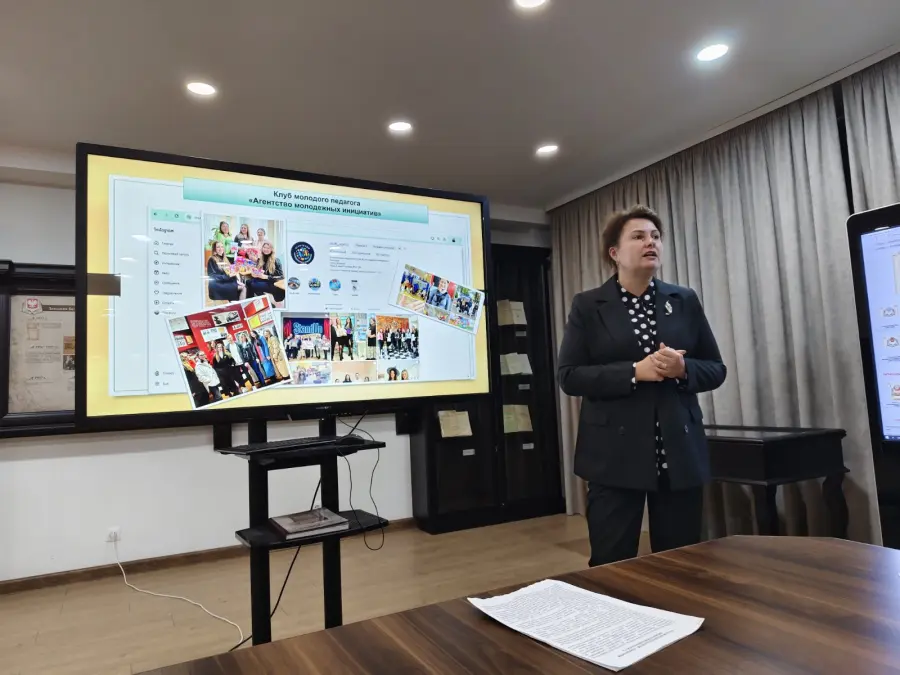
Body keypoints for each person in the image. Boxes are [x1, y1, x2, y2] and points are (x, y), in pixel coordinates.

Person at [557, 205, 726, 567]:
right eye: (638, 237)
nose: (651, 242)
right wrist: (634, 371)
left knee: (680, 563)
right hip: (613, 455)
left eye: (655, 236)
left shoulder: (684, 300)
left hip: (677, 451)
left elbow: (716, 369)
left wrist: (683, 368)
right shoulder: (588, 305)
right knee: (611, 564)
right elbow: (569, 375)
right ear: (614, 253)